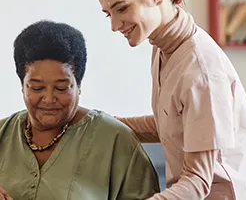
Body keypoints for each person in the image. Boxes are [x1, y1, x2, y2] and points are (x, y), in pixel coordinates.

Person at [93, 0, 246, 199]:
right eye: (109, 14)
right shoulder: (162, 46)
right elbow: (173, 124)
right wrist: (96, 124)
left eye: (122, 9)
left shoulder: (201, 70)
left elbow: (198, 182)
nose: (114, 25)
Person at [0, 20, 160, 200]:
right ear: (22, 85)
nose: (49, 99)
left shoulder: (115, 140)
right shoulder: (3, 133)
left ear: (79, 85)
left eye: (62, 88)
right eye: (36, 88)